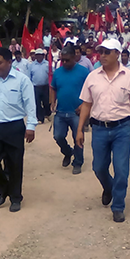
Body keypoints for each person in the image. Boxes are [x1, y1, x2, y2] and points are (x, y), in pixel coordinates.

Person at [75, 39, 130, 223]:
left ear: (117, 53)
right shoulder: (92, 77)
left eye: (107, 52)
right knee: (98, 167)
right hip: (99, 128)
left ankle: (118, 206)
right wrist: (80, 129)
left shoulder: (129, 77)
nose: (103, 56)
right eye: (101, 52)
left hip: (122, 128)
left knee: (121, 169)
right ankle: (109, 187)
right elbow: (86, 104)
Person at [0, 47, 36, 212]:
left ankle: (15, 198)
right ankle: (3, 189)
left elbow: (30, 104)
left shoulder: (22, 80)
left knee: (14, 164)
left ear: (9, 62)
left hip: (14, 126)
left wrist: (31, 126)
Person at [50, 46, 89, 175]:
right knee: (58, 136)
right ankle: (67, 152)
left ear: (74, 57)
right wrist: (52, 102)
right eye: (62, 60)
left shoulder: (84, 72)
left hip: (77, 112)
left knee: (77, 138)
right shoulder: (58, 72)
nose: (64, 63)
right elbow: (53, 88)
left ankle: (77, 162)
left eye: (67, 60)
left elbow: (90, 91)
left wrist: (84, 105)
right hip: (60, 111)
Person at [29, 49, 50, 124]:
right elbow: (29, 76)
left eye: (40, 55)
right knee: (37, 103)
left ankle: (47, 114)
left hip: (45, 86)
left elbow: (51, 74)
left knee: (46, 102)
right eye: (37, 55)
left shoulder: (47, 64)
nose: (39, 57)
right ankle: (40, 118)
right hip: (36, 87)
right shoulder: (32, 65)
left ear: (43, 56)